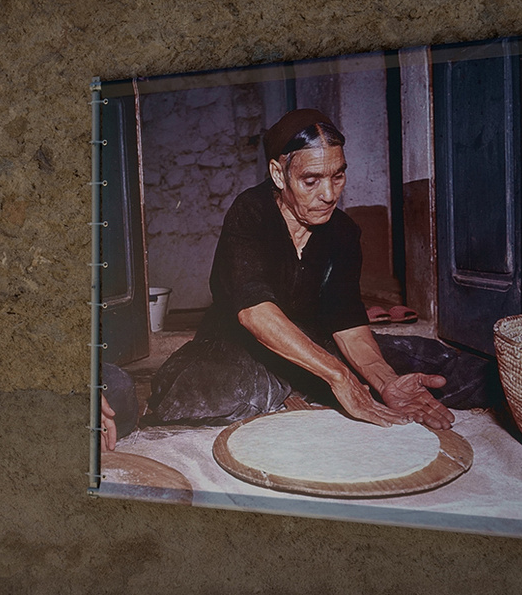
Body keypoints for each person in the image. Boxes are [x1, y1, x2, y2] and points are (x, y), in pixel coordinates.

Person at [134, 108, 493, 431]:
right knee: (226, 389)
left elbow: (347, 323)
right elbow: (255, 314)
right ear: (279, 174)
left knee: (428, 362)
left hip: (314, 343)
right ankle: (297, 386)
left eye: (338, 176)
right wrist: (338, 376)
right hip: (239, 348)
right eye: (312, 180)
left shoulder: (343, 231)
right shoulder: (251, 213)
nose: (329, 194)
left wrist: (384, 381)